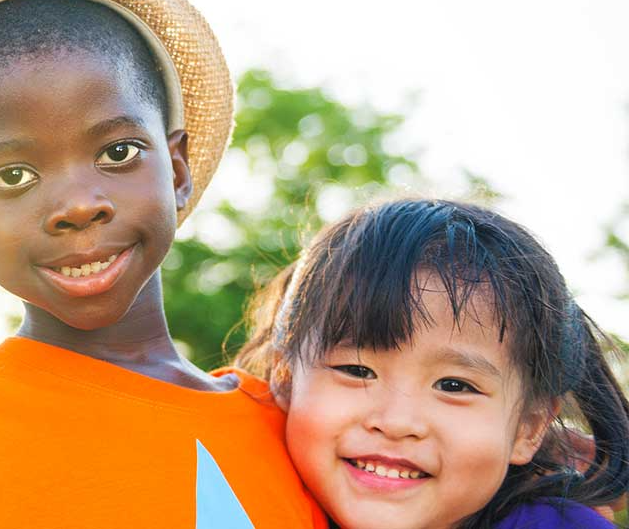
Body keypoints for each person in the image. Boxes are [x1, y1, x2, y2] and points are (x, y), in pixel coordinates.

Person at [0, 0, 325, 527]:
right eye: (14, 177)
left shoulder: (291, 429)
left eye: (118, 153)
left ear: (177, 170)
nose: (79, 206)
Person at [236, 199, 629, 529]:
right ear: (284, 377)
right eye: (357, 371)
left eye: (454, 386)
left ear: (528, 428)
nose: (396, 422)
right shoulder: (233, 487)